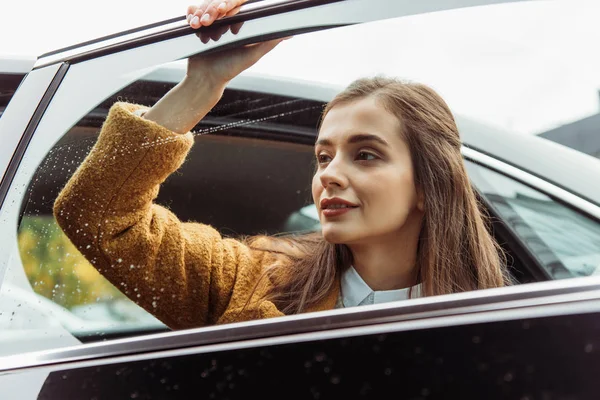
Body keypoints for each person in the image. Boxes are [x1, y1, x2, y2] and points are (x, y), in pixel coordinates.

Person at [53, 0, 510, 330]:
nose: (328, 174)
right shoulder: (249, 279)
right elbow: (97, 215)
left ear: (431, 185)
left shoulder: (507, 323)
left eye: (366, 154)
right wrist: (204, 82)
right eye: (323, 156)